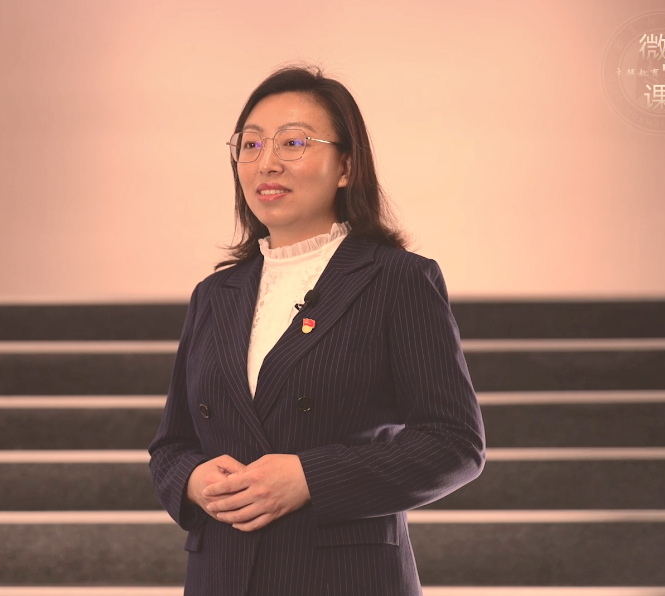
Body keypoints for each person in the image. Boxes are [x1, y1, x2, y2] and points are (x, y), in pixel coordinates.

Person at [148, 64, 486, 596]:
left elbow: (454, 444)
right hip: (222, 575)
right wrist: (194, 480)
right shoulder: (214, 294)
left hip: (342, 577)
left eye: (294, 142)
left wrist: (310, 478)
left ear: (346, 166)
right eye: (251, 144)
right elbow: (171, 445)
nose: (267, 162)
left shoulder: (397, 279)